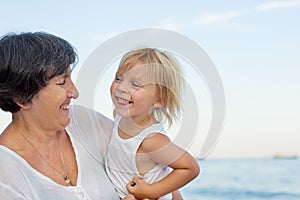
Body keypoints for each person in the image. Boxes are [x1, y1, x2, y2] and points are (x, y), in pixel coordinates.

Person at [0, 32, 130, 199]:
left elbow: (152, 170)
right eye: (61, 82)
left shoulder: (84, 121)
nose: (75, 93)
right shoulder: (5, 175)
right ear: (22, 97)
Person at [105, 48, 200, 199]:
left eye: (135, 84)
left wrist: (151, 191)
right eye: (119, 78)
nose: (122, 88)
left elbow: (190, 168)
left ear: (159, 100)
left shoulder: (152, 141)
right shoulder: (119, 116)